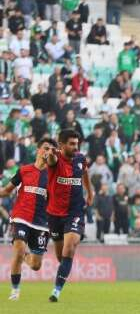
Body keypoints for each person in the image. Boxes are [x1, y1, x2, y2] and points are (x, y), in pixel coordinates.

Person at [0, 138, 56, 300]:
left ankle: (25, 256)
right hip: (21, 217)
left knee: (36, 265)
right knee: (17, 252)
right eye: (45, 148)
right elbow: (6, 191)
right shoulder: (24, 170)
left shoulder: (53, 176)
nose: (48, 152)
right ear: (38, 150)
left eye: (51, 150)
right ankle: (15, 291)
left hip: (41, 223)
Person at [46, 129, 94, 302]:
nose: (76, 147)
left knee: (69, 247)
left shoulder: (80, 159)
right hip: (54, 214)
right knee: (61, 256)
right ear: (61, 145)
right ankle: (64, 271)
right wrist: (50, 154)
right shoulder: (55, 158)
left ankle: (56, 291)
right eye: (72, 144)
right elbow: (50, 160)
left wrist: (90, 192)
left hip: (75, 212)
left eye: (77, 143)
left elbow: (85, 173)